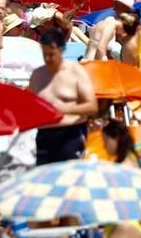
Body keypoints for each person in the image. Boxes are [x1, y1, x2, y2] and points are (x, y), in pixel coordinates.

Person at [29, 28, 97, 165]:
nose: (47, 58)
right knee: (45, 179)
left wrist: (64, 109)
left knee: (71, 178)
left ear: (61, 50)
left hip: (71, 133)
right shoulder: (37, 75)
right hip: (44, 135)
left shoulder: (76, 71)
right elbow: (29, 103)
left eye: (51, 54)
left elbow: (92, 106)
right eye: (44, 54)